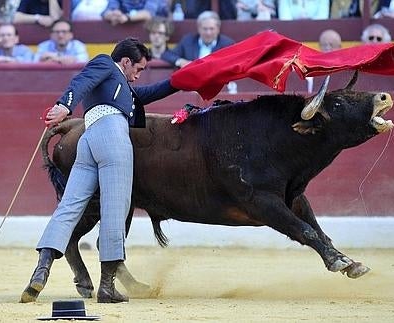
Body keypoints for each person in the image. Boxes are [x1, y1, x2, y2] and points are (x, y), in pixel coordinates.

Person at [20, 37, 179, 304]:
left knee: (69, 207)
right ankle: (107, 287)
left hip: (89, 139)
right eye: (138, 69)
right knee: (116, 208)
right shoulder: (105, 63)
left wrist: (180, 81)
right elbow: (80, 82)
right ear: (125, 62)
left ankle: (41, 271)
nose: (138, 76)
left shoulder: (119, 86)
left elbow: (151, 93)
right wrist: (64, 105)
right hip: (113, 136)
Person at [161, 10, 235, 68]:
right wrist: (180, 61)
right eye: (205, 29)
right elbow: (167, 54)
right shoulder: (188, 41)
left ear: (218, 29)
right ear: (199, 28)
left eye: (211, 29)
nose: (208, 33)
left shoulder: (227, 44)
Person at [101, 0, 168, 26]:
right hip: (127, 39)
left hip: (157, 35)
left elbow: (148, 14)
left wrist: (127, 17)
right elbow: (106, 12)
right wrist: (113, 15)